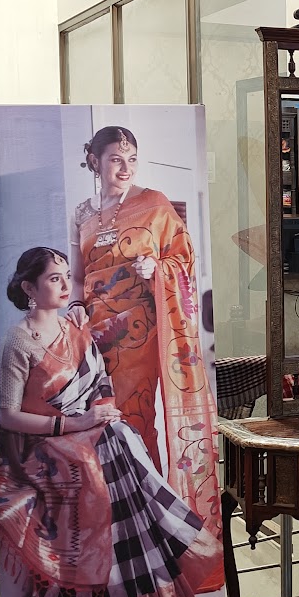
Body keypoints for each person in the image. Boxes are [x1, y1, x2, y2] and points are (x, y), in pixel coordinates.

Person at [0, 247, 222, 597]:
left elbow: (99, 382)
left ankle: (144, 585)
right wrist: (77, 423)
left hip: (84, 429)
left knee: (119, 436)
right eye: (54, 278)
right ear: (29, 287)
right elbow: (7, 416)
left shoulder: (71, 326)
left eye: (67, 275)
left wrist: (101, 413)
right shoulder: (18, 341)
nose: (66, 285)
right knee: (101, 452)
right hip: (41, 442)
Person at [71, 125, 219, 534]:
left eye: (131, 159)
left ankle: (148, 519)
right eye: (116, 159)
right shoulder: (82, 214)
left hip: (139, 331)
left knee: (133, 417)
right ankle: (112, 518)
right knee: (97, 420)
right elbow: (78, 275)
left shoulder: (154, 204)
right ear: (94, 161)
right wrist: (74, 306)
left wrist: (158, 268)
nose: (125, 168)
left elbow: (185, 259)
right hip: (93, 336)